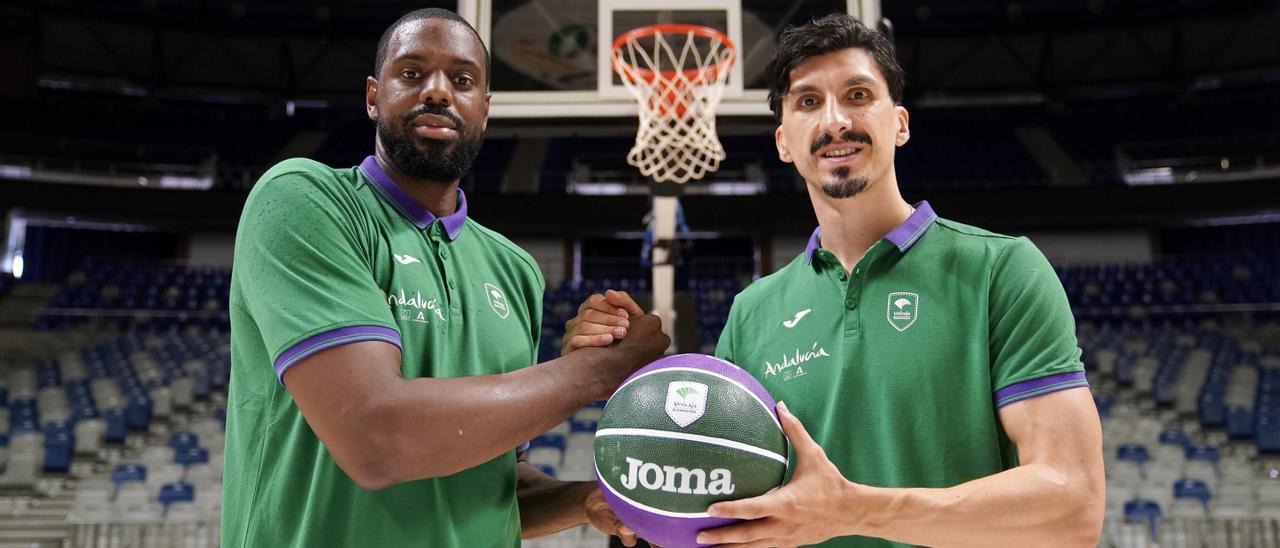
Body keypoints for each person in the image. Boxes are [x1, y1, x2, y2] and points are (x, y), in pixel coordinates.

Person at [564, 13, 1105, 547]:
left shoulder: (1002, 270)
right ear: (783, 141)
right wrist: (625, 395)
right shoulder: (753, 310)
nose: (834, 121)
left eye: (858, 95)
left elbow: (1073, 507)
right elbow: (729, 507)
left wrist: (855, 512)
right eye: (807, 102)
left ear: (900, 122)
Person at [222, 8, 668, 548]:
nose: (437, 92)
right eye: (412, 73)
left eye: (462, 80)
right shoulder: (305, 199)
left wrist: (581, 500)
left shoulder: (515, 270)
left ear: (484, 110)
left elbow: (487, 481)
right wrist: (599, 371)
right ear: (372, 95)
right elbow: (376, 438)